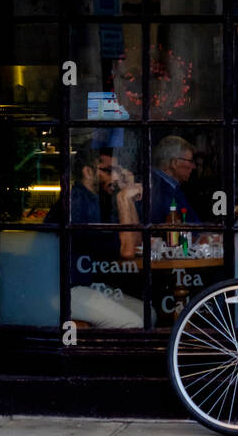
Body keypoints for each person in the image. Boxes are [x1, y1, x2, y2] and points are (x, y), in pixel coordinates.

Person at [45, 148, 145, 328]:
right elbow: (128, 251)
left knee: (148, 314)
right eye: (108, 171)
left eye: (117, 171)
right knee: (134, 323)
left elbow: (136, 242)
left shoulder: (98, 201)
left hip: (87, 285)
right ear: (88, 172)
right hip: (61, 290)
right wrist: (124, 198)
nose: (115, 178)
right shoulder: (77, 202)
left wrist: (127, 198)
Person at [151, 135, 201, 225]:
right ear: (174, 163)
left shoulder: (170, 186)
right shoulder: (160, 190)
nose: (193, 167)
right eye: (190, 161)